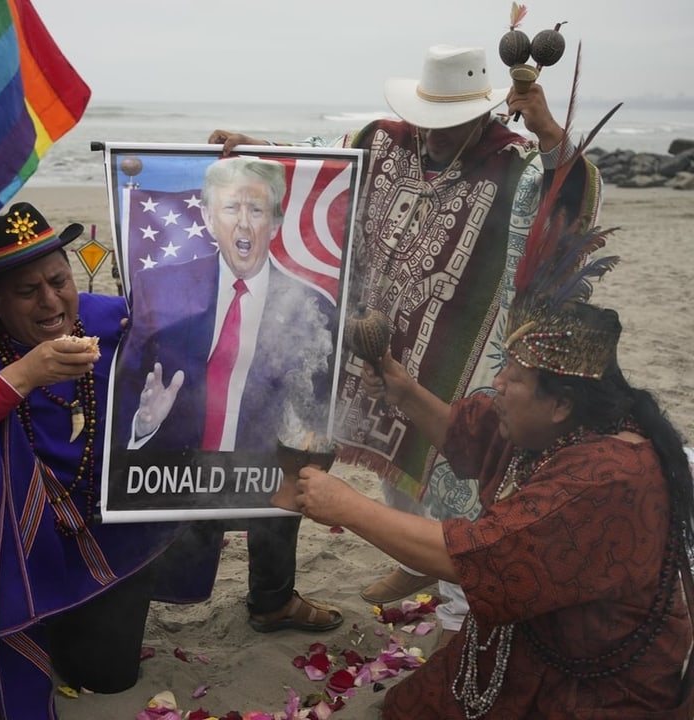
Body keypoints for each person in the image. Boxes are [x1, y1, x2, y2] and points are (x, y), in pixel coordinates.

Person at [209, 44, 601, 641]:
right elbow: (319, 170)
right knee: (331, 451)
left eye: (448, 123)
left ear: (481, 114)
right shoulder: (382, 137)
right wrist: (259, 148)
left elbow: (566, 201)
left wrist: (550, 134)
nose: (433, 133)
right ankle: (411, 559)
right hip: (361, 329)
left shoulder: (514, 163)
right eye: (427, 118)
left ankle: (443, 579)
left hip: (452, 349)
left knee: (443, 465)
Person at [286, 220, 694, 716]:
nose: (496, 384)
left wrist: (346, 505)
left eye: (513, 377)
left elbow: (474, 558)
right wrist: (404, 389)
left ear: (561, 403)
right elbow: (470, 432)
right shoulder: (553, 427)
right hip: (529, 648)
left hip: (590, 690)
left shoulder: (605, 477)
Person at [0, 202, 220, 720]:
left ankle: (268, 598)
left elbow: (200, 329)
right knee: (89, 666)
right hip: (38, 553)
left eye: (58, 281)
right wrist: (22, 376)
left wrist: (147, 425)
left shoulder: (108, 321)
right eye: (28, 292)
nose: (51, 301)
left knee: (112, 677)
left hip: (118, 531)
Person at [115, 156, 343, 632]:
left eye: (256, 210)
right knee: (143, 572)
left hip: (264, 461)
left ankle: (273, 599)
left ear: (277, 221)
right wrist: (143, 423)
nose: (243, 223)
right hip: (176, 466)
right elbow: (127, 390)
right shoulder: (159, 287)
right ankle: (129, 594)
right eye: (231, 208)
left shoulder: (310, 305)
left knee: (296, 457)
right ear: (207, 216)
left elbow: (319, 405)